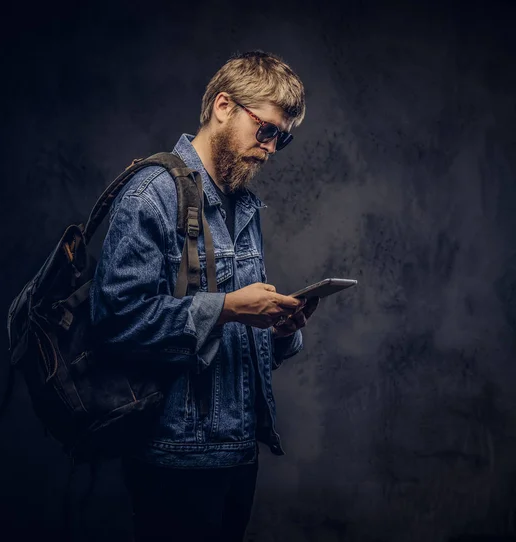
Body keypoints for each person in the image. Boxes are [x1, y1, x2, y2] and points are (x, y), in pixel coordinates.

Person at [90, 50, 320, 542]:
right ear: (223, 107)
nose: (272, 148)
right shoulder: (151, 195)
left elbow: (238, 339)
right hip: (173, 458)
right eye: (266, 130)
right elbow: (114, 323)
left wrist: (279, 332)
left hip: (238, 454)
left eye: (283, 137)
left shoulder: (243, 205)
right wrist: (230, 307)